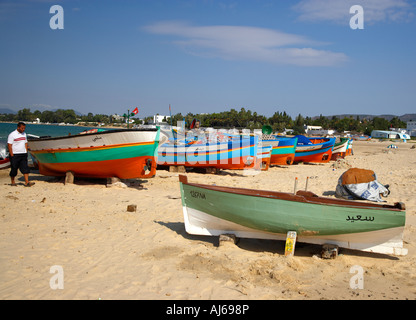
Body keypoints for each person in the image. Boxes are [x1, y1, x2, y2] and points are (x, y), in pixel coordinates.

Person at [7, 122, 35, 187]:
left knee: (25, 168)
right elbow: (9, 145)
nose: (23, 129)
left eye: (24, 128)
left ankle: (27, 182)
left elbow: (25, 143)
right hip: (15, 154)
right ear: (18, 127)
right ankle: (13, 182)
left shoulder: (24, 134)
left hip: (23, 154)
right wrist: (11, 154)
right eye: (22, 128)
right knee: (14, 169)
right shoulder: (12, 135)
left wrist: (26, 151)